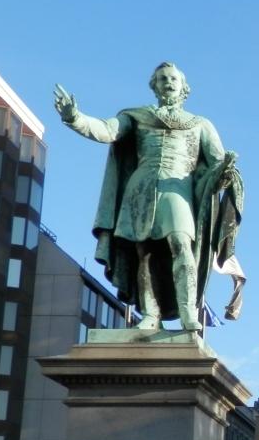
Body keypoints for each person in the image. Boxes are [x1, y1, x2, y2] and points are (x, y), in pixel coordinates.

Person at [54, 63, 244, 332]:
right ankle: (150, 315)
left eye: (173, 78)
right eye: (162, 78)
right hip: (140, 187)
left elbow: (216, 163)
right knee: (144, 253)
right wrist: (75, 117)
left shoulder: (201, 124)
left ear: (184, 87)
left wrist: (225, 171)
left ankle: (188, 310)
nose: (168, 82)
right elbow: (107, 130)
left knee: (181, 243)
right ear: (154, 86)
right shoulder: (137, 116)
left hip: (177, 188)